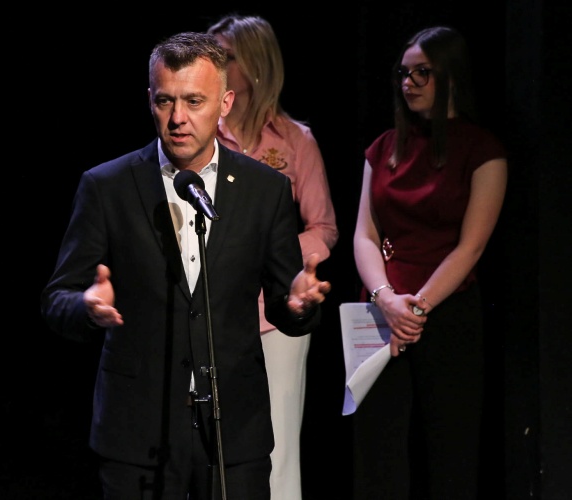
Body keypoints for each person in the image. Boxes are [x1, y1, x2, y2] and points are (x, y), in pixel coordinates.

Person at [40, 31, 332, 500]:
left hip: (234, 429)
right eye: (165, 101)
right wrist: (86, 306)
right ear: (150, 100)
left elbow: (285, 304)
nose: (178, 118)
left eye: (194, 101)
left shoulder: (265, 190)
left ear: (224, 103)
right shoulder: (108, 186)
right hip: (138, 431)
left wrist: (298, 306)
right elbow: (57, 299)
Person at [351, 26, 507, 499]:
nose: (409, 83)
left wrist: (415, 310)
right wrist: (386, 300)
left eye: (422, 72)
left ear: (451, 76)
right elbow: (364, 235)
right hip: (380, 314)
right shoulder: (383, 147)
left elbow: (470, 248)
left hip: (446, 311)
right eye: (403, 73)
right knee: (376, 449)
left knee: (451, 448)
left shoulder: (482, 150)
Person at [206, 14, 338, 499]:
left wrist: (271, 255)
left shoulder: (295, 140)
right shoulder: (202, 135)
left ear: (256, 65)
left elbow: (324, 227)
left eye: (227, 57)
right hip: (214, 309)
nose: (216, 66)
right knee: (211, 439)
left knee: (278, 445)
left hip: (276, 315)